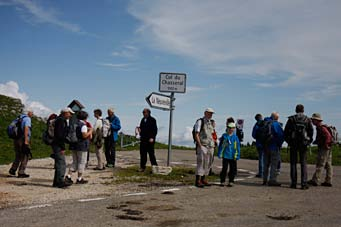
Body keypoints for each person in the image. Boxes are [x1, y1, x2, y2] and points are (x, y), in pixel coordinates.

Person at [284, 104, 313, 189]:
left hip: (293, 144)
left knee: (293, 163)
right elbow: (311, 132)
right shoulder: (307, 119)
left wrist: (289, 141)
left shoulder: (291, 119)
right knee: (303, 164)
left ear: (295, 110)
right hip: (303, 144)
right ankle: (304, 184)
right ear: (303, 110)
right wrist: (308, 142)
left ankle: (293, 183)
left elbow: (285, 132)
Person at [65, 110, 93, 184]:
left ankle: (68, 176)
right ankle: (79, 178)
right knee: (81, 162)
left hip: (73, 145)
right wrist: (90, 131)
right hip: (82, 146)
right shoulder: (83, 125)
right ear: (85, 117)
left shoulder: (75, 124)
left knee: (74, 162)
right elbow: (84, 135)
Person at [308, 113, 333, 187]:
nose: (312, 121)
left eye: (313, 120)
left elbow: (328, 136)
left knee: (320, 164)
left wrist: (325, 144)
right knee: (328, 164)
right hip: (329, 147)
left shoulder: (321, 127)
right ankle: (328, 180)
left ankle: (315, 180)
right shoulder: (323, 126)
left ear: (317, 120)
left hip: (324, 148)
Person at [52, 107, 74, 188]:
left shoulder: (59, 120)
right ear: (65, 113)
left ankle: (56, 182)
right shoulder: (61, 121)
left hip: (56, 144)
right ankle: (59, 182)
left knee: (59, 163)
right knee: (61, 164)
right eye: (70, 113)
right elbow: (60, 135)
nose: (71, 115)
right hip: (58, 144)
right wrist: (62, 147)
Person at [194, 108, 216, 188]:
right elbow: (197, 134)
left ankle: (204, 179)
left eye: (211, 113)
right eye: (209, 113)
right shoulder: (200, 121)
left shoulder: (211, 123)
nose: (211, 115)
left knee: (209, 162)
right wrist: (200, 145)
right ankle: (198, 180)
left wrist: (215, 141)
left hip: (211, 145)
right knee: (201, 162)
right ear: (205, 113)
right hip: (203, 145)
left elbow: (213, 134)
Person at [8, 109, 33, 178]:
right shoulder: (27, 119)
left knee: (18, 155)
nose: (32, 114)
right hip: (22, 139)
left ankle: (13, 169)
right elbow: (26, 128)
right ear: (28, 113)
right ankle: (21, 172)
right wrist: (26, 141)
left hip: (16, 138)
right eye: (31, 113)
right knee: (25, 155)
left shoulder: (19, 118)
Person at [263, 112, 284, 186]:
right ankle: (272, 180)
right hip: (274, 146)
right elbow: (280, 136)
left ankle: (264, 179)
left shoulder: (265, 123)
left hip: (265, 147)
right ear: (277, 118)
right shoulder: (276, 124)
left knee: (266, 164)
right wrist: (279, 144)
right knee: (274, 164)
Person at [217, 122, 241, 187]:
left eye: (233, 128)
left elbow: (237, 147)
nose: (231, 129)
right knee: (224, 169)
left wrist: (237, 155)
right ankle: (222, 181)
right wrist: (219, 153)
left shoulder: (235, 137)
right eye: (230, 128)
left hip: (233, 156)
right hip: (225, 155)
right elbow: (221, 146)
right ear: (227, 128)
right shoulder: (224, 136)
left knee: (232, 169)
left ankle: (231, 181)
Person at [252, 113, 264, 178]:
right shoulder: (266, 123)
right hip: (266, 143)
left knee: (261, 159)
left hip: (259, 143)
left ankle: (261, 173)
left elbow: (253, 135)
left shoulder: (256, 125)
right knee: (266, 159)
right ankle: (266, 172)